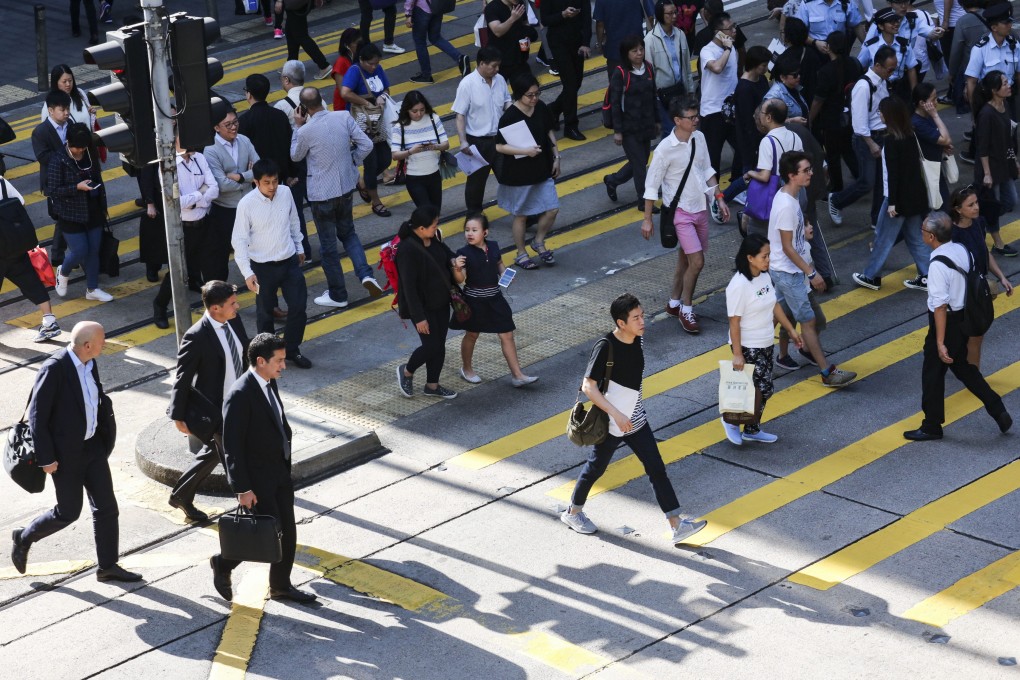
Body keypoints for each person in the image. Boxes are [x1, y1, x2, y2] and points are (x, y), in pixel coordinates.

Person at [559, 293, 708, 547]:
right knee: (596, 467)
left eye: (641, 315)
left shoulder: (637, 341)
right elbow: (588, 386)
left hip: (636, 419)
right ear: (621, 323)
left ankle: (676, 525)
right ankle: (573, 513)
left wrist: (630, 411)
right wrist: (616, 413)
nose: (642, 321)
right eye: (636, 318)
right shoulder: (606, 346)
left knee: (656, 468)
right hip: (611, 421)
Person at [11, 322, 141, 583]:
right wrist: (46, 459)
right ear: (87, 345)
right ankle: (24, 536)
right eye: (101, 342)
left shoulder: (90, 361)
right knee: (68, 512)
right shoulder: (54, 368)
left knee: (106, 508)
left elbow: (93, 399)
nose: (104, 345)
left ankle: (107, 566)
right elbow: (38, 417)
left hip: (92, 447)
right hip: (64, 455)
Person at [210, 332, 317, 604]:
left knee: (287, 531)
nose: (284, 365)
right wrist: (243, 488)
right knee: (267, 534)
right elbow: (232, 447)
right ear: (260, 361)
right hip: (257, 480)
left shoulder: (269, 382)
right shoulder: (240, 394)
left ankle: (280, 585)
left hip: (279, 471)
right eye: (279, 360)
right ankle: (224, 563)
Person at [903, 211, 1012, 441]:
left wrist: (940, 341)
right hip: (965, 317)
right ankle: (997, 408)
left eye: (923, 230)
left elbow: (940, 306)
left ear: (931, 236)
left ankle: (932, 425)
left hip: (947, 323)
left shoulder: (937, 265)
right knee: (962, 366)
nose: (921, 233)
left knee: (933, 371)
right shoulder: (962, 250)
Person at [769, 151, 857, 386]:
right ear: (791, 175)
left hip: (790, 272)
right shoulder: (787, 205)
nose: (811, 173)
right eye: (806, 170)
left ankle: (753, 351)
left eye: (810, 169)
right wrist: (812, 272)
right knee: (808, 321)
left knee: (803, 319)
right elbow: (788, 247)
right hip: (789, 274)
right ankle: (827, 373)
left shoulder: (791, 197)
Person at [643, 96, 729, 334]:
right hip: (680, 213)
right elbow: (651, 187)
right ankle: (686, 309)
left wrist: (719, 198)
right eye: (691, 118)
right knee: (697, 262)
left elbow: (707, 170)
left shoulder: (699, 138)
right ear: (677, 121)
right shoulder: (664, 150)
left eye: (697, 116)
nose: (696, 121)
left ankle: (673, 303)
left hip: (700, 208)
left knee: (686, 259)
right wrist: (648, 219)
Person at [166, 281, 251, 522]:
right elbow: (182, 378)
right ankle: (251, 511)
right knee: (234, 459)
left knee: (215, 452)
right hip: (218, 410)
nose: (237, 306)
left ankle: (182, 495)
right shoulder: (197, 336)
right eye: (232, 303)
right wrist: (178, 415)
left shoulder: (233, 319)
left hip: (239, 402)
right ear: (215, 308)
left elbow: (244, 355)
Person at [291, 86, 381, 309]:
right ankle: (366, 274)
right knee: (349, 233)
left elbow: (295, 155)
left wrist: (297, 126)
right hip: (345, 189)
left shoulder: (304, 131)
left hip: (321, 194)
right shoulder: (342, 117)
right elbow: (367, 145)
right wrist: (352, 161)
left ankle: (338, 294)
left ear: (303, 108)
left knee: (328, 246)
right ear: (322, 99)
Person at [722, 234, 803, 445]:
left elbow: (774, 304)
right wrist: (737, 354)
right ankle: (731, 421)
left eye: (769, 255)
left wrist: (791, 332)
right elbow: (734, 322)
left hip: (766, 340)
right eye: (764, 256)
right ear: (750, 258)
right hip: (748, 343)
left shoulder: (764, 276)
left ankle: (752, 428)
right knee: (762, 387)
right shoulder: (738, 285)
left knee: (760, 387)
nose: (768, 260)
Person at [231, 159, 311, 369]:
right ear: (256, 182)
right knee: (265, 313)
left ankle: (292, 349)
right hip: (262, 267)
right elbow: (238, 240)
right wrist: (247, 273)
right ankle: (266, 355)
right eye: (267, 182)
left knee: (299, 307)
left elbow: (294, 221)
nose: (272, 186)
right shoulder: (246, 204)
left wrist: (300, 247)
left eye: (275, 181)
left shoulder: (285, 193)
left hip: (288, 261)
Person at [851, 96, 931, 292]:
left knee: (882, 238)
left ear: (889, 116)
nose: (879, 114)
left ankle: (871, 276)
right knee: (915, 238)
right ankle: (928, 276)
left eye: (881, 111)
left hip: (896, 199)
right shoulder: (910, 135)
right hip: (914, 197)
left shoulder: (891, 140)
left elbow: (894, 175)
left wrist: (893, 203)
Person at [453, 212, 538, 387]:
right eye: (467, 230)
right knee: (472, 334)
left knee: (507, 334)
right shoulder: (464, 253)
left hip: (495, 298)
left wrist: (504, 274)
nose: (469, 233)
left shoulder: (493, 246)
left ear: (485, 233)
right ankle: (466, 369)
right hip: (474, 301)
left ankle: (517, 375)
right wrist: (456, 268)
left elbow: (498, 262)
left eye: (474, 230)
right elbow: (460, 280)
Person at [395, 205, 467, 400]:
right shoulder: (407, 249)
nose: (436, 228)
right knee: (431, 346)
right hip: (423, 309)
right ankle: (407, 372)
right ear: (420, 228)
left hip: (442, 302)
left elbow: (447, 252)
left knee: (439, 345)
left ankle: (432, 386)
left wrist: (454, 261)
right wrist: (419, 318)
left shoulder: (432, 239)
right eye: (433, 226)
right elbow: (408, 288)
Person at [239, 73, 308, 262]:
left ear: (248, 94)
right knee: (293, 214)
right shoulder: (279, 115)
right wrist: (291, 174)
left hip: (259, 181)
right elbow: (289, 146)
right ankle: (304, 250)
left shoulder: (244, 121)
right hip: (283, 176)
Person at [495, 73, 561, 270]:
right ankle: (521, 253)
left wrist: (557, 156)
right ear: (518, 96)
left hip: (542, 166)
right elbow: (499, 146)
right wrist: (525, 151)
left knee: (552, 208)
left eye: (537, 93)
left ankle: (538, 241)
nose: (534, 99)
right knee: (521, 214)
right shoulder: (510, 116)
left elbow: (550, 131)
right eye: (529, 95)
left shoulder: (540, 107)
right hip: (519, 172)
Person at [828, 45, 896, 230]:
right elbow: (859, 124)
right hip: (867, 139)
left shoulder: (883, 81)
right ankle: (836, 200)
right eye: (890, 69)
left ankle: (877, 220)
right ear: (878, 65)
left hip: (883, 135)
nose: (892, 72)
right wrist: (871, 144)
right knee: (867, 182)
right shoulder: (863, 87)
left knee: (883, 182)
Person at [947, 186, 1014, 369]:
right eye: (971, 205)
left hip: (977, 289)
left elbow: (984, 252)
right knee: (975, 335)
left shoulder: (978, 223)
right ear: (958, 210)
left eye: (976, 203)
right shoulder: (952, 235)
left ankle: (968, 369)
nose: (976, 207)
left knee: (973, 334)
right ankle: (973, 375)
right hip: (963, 291)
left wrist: (1001, 277)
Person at [49, 123, 113, 303]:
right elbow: (53, 190)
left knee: (93, 250)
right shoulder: (58, 159)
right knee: (79, 250)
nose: (80, 151)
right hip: (70, 213)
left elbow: (97, 175)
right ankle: (64, 270)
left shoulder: (90, 152)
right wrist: (76, 187)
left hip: (93, 209)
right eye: (77, 147)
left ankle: (92, 288)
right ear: (68, 143)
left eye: (83, 147)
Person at [0, 174, 61, 342]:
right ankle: (49, 321)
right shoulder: (1, 181)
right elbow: (21, 203)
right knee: (31, 282)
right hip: (15, 246)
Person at [204, 104, 260, 283]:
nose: (234, 127)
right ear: (216, 127)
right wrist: (248, 179)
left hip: (249, 207)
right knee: (219, 258)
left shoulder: (244, 140)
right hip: (225, 211)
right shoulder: (210, 150)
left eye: (235, 122)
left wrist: (239, 177)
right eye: (228, 124)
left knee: (257, 252)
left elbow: (259, 170)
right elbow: (221, 185)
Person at [603, 35, 660, 211]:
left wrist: (657, 121)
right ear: (626, 54)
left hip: (646, 125)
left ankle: (612, 180)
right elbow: (615, 104)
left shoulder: (648, 68)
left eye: (641, 49)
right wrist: (618, 131)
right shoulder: (620, 73)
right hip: (629, 129)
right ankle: (644, 202)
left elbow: (653, 97)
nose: (639, 53)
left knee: (640, 162)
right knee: (640, 167)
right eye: (634, 51)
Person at [453, 46, 512, 213]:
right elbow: (460, 115)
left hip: (500, 139)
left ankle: (524, 213)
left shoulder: (499, 79)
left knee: (508, 177)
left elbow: (507, 101)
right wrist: (463, 141)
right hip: (478, 143)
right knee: (476, 183)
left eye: (498, 66)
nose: (497, 69)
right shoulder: (467, 84)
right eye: (493, 66)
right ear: (481, 64)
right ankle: (474, 216)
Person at [341, 43, 395, 217]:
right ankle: (376, 202)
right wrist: (366, 103)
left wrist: (383, 96)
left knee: (386, 158)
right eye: (370, 64)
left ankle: (363, 183)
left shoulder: (378, 69)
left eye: (376, 63)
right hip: (363, 124)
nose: (373, 67)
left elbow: (386, 87)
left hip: (379, 121)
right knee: (371, 163)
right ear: (362, 60)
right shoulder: (355, 71)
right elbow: (345, 92)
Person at [971, 70, 1020, 257]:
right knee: (993, 205)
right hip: (990, 168)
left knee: (1009, 201)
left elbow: (1008, 138)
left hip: (1004, 164)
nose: (1009, 86)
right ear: (994, 90)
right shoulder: (986, 114)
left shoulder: (1004, 105)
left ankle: (981, 223)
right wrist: (987, 173)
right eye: (1005, 83)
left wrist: (1014, 161)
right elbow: (982, 148)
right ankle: (997, 243)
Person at [810, 31, 862, 198]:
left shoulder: (826, 72)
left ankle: (837, 186)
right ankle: (861, 177)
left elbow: (819, 100)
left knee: (833, 154)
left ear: (829, 47)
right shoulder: (854, 64)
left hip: (832, 119)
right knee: (848, 149)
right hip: (852, 115)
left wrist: (810, 119)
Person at [698, 12, 739, 224]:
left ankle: (736, 188)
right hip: (713, 111)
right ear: (718, 33)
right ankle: (714, 196)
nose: (734, 31)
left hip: (731, 110)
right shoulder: (708, 51)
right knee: (712, 157)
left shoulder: (731, 48)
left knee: (741, 148)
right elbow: (716, 68)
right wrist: (728, 48)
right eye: (730, 28)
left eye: (734, 27)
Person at [741, 99, 803, 237]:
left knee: (761, 238)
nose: (760, 115)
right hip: (793, 195)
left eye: (762, 112)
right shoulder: (795, 137)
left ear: (768, 117)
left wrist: (750, 173)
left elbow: (764, 176)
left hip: (773, 199)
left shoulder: (768, 141)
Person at [723, 45, 771, 206]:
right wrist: (755, 141)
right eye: (763, 65)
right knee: (748, 175)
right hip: (750, 139)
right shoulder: (744, 89)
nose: (766, 68)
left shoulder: (762, 79)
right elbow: (745, 122)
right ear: (754, 64)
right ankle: (723, 199)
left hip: (762, 134)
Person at [541, 0, 592, 140]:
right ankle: (571, 126)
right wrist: (563, 15)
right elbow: (545, 20)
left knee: (577, 82)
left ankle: (553, 110)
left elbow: (587, 17)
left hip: (576, 41)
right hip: (558, 43)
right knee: (570, 84)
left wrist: (586, 43)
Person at [32, 90, 73, 266]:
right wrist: (68, 154)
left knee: (68, 216)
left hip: (71, 178)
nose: (66, 113)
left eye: (67, 109)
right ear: (50, 110)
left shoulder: (70, 123)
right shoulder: (40, 132)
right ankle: (59, 253)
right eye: (62, 109)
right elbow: (43, 157)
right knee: (64, 216)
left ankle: (61, 254)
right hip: (54, 181)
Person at [391, 90, 449, 211]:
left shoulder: (433, 118)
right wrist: (410, 151)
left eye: (422, 110)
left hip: (434, 174)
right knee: (426, 213)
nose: (419, 114)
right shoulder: (399, 127)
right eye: (414, 111)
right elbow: (395, 155)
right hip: (414, 177)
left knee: (435, 212)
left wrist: (435, 146)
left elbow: (446, 144)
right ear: (407, 110)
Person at [645, 1, 696, 137]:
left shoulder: (680, 34)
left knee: (683, 131)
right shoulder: (650, 40)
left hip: (680, 91)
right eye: (670, 13)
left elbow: (686, 66)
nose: (674, 16)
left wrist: (690, 90)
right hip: (662, 95)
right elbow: (649, 71)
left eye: (675, 12)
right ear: (660, 15)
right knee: (670, 132)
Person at [858, 8, 918, 101]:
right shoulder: (870, 46)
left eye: (897, 21)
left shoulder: (904, 44)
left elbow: (911, 69)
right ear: (881, 26)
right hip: (878, 89)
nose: (896, 24)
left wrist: (914, 94)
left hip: (899, 89)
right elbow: (860, 67)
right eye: (891, 22)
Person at [405, 0, 470, 83]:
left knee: (420, 42)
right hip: (437, 7)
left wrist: (408, 13)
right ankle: (460, 58)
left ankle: (426, 75)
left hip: (422, 9)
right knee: (436, 38)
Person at [912, 81, 953, 210]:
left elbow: (946, 139)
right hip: (927, 172)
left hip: (935, 167)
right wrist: (935, 115)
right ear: (922, 103)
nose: (936, 102)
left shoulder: (926, 117)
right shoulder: (918, 123)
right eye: (933, 99)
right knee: (941, 208)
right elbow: (946, 139)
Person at [272, 0, 333, 81]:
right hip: (299, 4)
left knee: (301, 35)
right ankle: (291, 63)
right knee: (290, 30)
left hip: (296, 4)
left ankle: (324, 65)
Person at [594, 0, 655, 77]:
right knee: (641, 80)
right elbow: (651, 16)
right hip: (637, 48)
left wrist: (599, 43)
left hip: (614, 50)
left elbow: (600, 24)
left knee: (618, 82)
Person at [947, 0, 986, 114]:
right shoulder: (989, 15)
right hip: (990, 63)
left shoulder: (962, 22)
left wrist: (952, 72)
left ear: (961, 4)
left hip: (970, 67)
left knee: (973, 102)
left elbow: (956, 50)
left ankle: (977, 125)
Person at [485, 0, 536, 83]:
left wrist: (528, 35)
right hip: (500, 60)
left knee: (525, 88)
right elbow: (497, 31)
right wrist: (512, 18)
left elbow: (525, 22)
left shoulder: (519, 4)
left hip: (519, 58)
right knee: (497, 91)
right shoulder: (492, 7)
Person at [137, 163, 167, 284]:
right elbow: (146, 177)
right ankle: (152, 268)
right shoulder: (153, 148)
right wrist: (150, 202)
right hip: (158, 196)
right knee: (155, 236)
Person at [763, 53, 810, 124]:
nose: (799, 76)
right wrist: (791, 121)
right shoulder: (774, 96)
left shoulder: (794, 87)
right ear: (782, 77)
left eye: (799, 73)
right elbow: (769, 122)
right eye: (795, 75)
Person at [332, 28, 363, 111]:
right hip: (344, 107)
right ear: (347, 45)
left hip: (358, 103)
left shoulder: (359, 58)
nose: (360, 46)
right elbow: (343, 92)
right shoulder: (341, 62)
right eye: (357, 43)